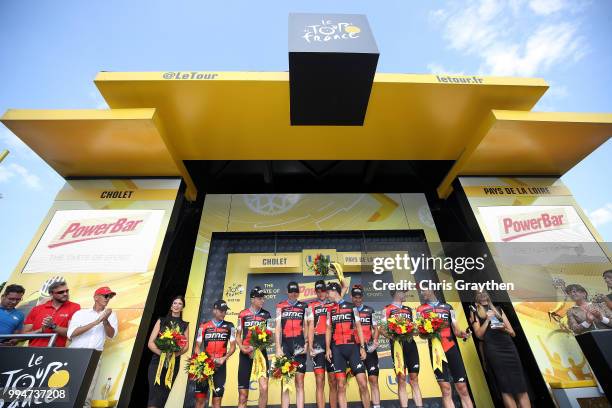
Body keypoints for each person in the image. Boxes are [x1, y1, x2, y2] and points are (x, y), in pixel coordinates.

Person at [470, 291, 530, 408]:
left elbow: (512, 333)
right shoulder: (474, 312)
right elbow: (479, 335)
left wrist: (503, 329)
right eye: (479, 293)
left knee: (520, 385)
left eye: (483, 292)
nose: (482, 294)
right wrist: (487, 320)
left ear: (488, 295)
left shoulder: (498, 309)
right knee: (505, 386)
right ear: (475, 297)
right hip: (494, 350)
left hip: (509, 348)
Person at [417, 289, 472, 408]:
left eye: (424, 290)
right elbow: (420, 334)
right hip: (435, 349)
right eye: (420, 291)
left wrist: (462, 333)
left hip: (450, 347)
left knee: (462, 388)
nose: (422, 293)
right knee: (446, 389)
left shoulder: (448, 307)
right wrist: (425, 331)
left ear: (432, 290)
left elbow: (456, 330)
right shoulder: (419, 309)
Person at [68, 287, 119, 407]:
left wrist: (105, 321)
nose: (108, 299)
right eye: (106, 296)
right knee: (66, 388)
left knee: (87, 392)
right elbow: (71, 334)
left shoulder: (111, 315)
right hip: (75, 353)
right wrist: (96, 322)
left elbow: (112, 336)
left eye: (110, 296)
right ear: (96, 297)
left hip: (94, 355)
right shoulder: (80, 313)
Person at [325, 282, 370, 408]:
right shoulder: (330, 309)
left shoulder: (352, 307)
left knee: (363, 382)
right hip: (337, 349)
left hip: (352, 348)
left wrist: (362, 347)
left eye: (329, 292)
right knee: (340, 385)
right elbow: (328, 329)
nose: (327, 295)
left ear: (335, 291)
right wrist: (328, 348)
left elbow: (359, 327)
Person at [307, 279, 347, 408]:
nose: (320, 293)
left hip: (331, 343)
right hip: (318, 343)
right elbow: (310, 326)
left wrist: (340, 277)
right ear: (315, 292)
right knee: (319, 380)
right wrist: (310, 345)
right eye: (318, 291)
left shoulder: (333, 303)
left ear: (327, 291)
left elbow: (343, 289)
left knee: (332, 380)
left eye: (323, 290)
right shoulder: (310, 306)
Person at [381, 289, 422, 408]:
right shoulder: (386, 309)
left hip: (410, 345)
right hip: (397, 346)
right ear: (397, 293)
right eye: (403, 292)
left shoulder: (409, 309)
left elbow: (416, 330)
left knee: (414, 378)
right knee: (401, 379)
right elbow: (382, 329)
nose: (405, 294)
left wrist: (416, 330)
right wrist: (394, 336)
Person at [147, 296, 190, 408]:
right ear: (171, 306)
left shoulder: (185, 324)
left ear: (183, 307)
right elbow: (150, 343)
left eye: (180, 304)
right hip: (157, 363)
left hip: (172, 364)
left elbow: (185, 347)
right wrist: (162, 354)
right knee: (154, 396)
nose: (176, 305)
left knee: (162, 397)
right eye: (174, 303)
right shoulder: (161, 320)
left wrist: (173, 355)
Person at [194, 299, 236, 408]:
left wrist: (224, 358)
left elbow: (233, 347)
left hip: (220, 367)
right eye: (221, 310)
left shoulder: (230, 326)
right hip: (205, 367)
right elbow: (197, 347)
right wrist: (203, 360)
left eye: (225, 311)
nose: (224, 313)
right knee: (200, 400)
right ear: (214, 310)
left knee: (217, 402)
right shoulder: (203, 326)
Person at [237, 286, 272, 408]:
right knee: (243, 395)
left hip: (261, 354)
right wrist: (242, 348)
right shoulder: (242, 314)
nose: (263, 300)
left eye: (263, 298)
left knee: (264, 387)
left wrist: (255, 347)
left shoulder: (266, 315)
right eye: (260, 298)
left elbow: (269, 337)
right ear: (252, 299)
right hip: (245, 354)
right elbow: (237, 335)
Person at [275, 282, 308, 408]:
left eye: (296, 292)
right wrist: (278, 348)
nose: (293, 294)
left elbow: (306, 326)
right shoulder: (280, 306)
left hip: (300, 347)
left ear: (298, 292)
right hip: (286, 347)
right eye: (291, 292)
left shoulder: (305, 306)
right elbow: (277, 328)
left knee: (299, 382)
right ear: (287, 292)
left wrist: (306, 343)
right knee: (286, 382)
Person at [351, 285, 382, 408]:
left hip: (369, 349)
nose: (357, 300)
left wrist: (375, 340)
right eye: (355, 297)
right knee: (362, 383)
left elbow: (376, 328)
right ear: (351, 297)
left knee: (373, 380)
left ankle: (376, 406)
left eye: (359, 297)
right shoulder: (349, 310)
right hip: (354, 349)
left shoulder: (370, 310)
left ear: (362, 297)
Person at [23, 280, 80, 347]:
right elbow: (23, 336)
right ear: (51, 294)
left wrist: (53, 326)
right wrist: (41, 330)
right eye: (60, 292)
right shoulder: (37, 309)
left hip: (57, 353)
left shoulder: (75, 307)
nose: (65, 294)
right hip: (34, 350)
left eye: (67, 291)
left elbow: (73, 333)